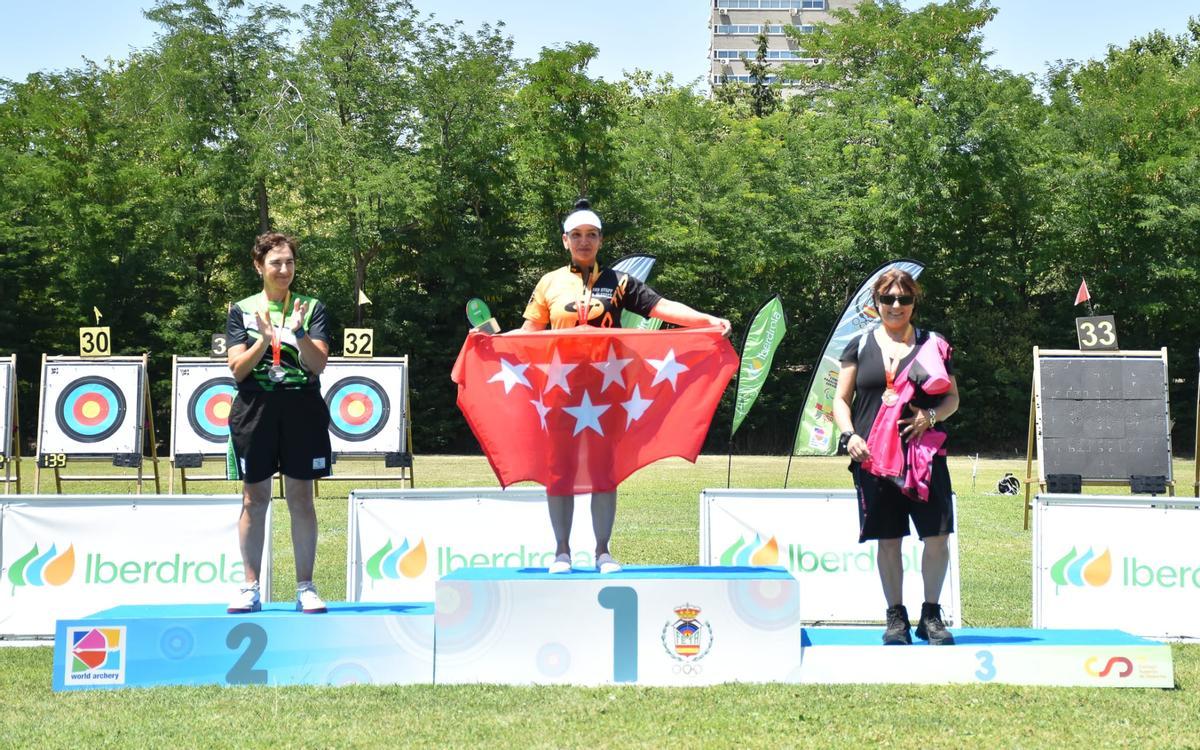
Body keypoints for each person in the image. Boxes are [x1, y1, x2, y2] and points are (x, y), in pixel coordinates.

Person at [521, 199, 731, 575]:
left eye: (592, 235)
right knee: (561, 471)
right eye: (577, 235)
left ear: (601, 240)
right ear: (565, 240)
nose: (584, 242)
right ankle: (562, 552)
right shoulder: (549, 282)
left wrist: (706, 319)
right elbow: (527, 335)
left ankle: (603, 551)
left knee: (604, 470)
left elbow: (662, 307)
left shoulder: (618, 281)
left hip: (606, 391)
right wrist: (487, 339)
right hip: (558, 392)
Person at [833, 269, 960, 645]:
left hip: (924, 458)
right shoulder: (858, 344)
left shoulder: (933, 344)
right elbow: (841, 400)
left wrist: (931, 416)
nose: (895, 305)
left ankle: (931, 617)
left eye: (903, 299)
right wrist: (849, 434)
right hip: (873, 458)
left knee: (936, 536)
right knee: (889, 539)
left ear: (914, 302)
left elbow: (952, 398)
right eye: (888, 298)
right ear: (876, 303)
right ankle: (896, 618)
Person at [224, 232, 333, 614]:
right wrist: (263, 340)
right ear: (259, 266)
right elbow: (237, 370)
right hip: (256, 409)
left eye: (289, 262)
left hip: (302, 408)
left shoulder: (311, 307)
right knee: (255, 499)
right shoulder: (242, 309)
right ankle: (249, 587)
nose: (284, 269)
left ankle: (306, 587)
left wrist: (299, 333)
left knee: (301, 499)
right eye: (275, 263)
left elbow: (318, 364)